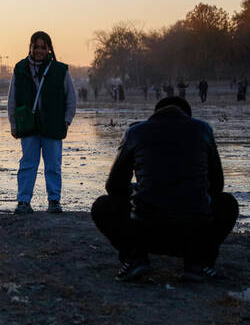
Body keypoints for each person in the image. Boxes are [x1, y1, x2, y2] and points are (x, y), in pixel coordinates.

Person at [92, 97, 239, 282]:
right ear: (188, 116)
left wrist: (138, 191)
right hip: (194, 230)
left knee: (102, 205)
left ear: (154, 114)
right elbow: (217, 186)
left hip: (146, 230)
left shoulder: (136, 132)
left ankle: (135, 258)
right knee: (227, 203)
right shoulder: (202, 130)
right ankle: (198, 263)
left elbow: (113, 186)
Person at [8, 31, 76, 214]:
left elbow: (71, 97)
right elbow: (12, 99)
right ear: (30, 47)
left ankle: (54, 200)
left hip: (53, 125)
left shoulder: (60, 70)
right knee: (28, 164)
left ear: (49, 49)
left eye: (42, 47)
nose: (39, 50)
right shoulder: (20, 69)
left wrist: (67, 121)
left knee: (53, 164)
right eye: (35, 47)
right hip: (28, 126)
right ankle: (23, 201)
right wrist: (13, 124)